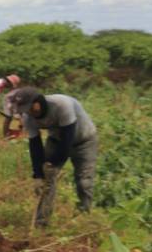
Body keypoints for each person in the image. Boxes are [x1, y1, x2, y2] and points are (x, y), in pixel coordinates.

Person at [9, 86, 98, 227]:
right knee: (46, 182)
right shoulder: (28, 118)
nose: (30, 113)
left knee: (84, 182)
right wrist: (38, 174)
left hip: (84, 141)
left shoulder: (62, 105)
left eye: (31, 108)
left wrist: (54, 164)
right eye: (26, 110)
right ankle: (41, 222)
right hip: (56, 140)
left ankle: (84, 215)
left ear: (38, 101)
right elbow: (35, 145)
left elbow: (67, 140)